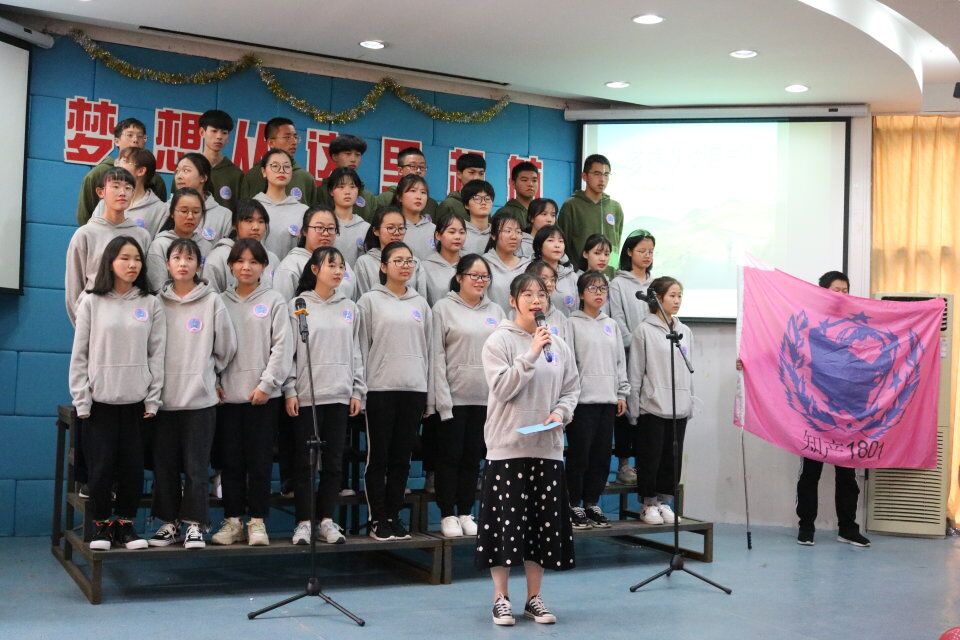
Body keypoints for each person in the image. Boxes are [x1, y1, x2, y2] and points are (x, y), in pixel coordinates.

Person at [737, 270, 870, 548]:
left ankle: (848, 528)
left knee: (847, 474)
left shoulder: (855, 324)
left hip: (846, 410)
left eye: (845, 290)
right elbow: (780, 351)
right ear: (822, 291)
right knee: (810, 472)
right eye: (836, 289)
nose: (841, 295)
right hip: (814, 411)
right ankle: (806, 527)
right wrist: (749, 362)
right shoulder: (807, 321)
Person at [477, 273, 580, 626]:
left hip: (547, 446)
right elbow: (503, 388)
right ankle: (500, 598)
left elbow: (571, 389)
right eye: (527, 294)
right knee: (505, 527)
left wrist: (561, 413)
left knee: (541, 527)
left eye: (542, 294)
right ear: (512, 300)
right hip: (508, 446)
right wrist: (532, 352)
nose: (536, 300)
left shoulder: (558, 345)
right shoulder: (499, 341)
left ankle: (534, 598)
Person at [69, 236, 165, 551]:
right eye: (124, 258)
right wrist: (82, 399)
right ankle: (100, 526)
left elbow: (156, 355)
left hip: (136, 403)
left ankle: (125, 526)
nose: (132, 264)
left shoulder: (150, 303)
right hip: (100, 403)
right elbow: (79, 355)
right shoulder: (91, 301)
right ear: (110, 262)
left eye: (136, 259)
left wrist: (153, 398)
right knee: (100, 468)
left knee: (132, 468)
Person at [148, 239, 238, 549]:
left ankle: (195, 525)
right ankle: (168, 523)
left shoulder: (212, 301)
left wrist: (209, 373)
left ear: (199, 265)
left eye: (189, 258)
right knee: (165, 467)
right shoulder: (156, 302)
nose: (183, 263)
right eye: (177, 258)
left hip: (200, 401)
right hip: (164, 401)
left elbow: (226, 346)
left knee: (196, 467)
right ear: (168, 264)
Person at [211, 239, 293, 546]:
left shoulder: (274, 301)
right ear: (231, 266)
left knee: (259, 462)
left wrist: (267, 385)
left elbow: (282, 346)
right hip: (227, 398)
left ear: (264, 266)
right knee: (230, 462)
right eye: (240, 261)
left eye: (254, 261)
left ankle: (257, 522)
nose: (246, 267)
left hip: (263, 398)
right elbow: (209, 347)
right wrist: (214, 382)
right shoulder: (218, 301)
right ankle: (232, 521)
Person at [284, 246, 365, 545]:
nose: (338, 271)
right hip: (308, 395)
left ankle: (326, 520)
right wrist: (290, 388)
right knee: (305, 462)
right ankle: (304, 522)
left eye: (341, 265)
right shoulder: (298, 306)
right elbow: (290, 353)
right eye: (331, 265)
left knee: (333, 463)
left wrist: (357, 389)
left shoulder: (350, 308)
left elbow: (356, 352)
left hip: (340, 394)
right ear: (315, 269)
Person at [357, 241, 432, 541]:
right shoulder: (369, 301)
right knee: (379, 457)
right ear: (383, 266)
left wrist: (427, 391)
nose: (404, 265)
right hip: (380, 389)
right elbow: (361, 347)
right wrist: (361, 389)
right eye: (398, 260)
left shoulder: (421, 304)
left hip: (413, 389)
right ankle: (377, 518)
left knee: (402, 457)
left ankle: (393, 514)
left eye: (409, 260)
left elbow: (428, 350)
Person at [429, 254, 504, 537]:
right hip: (453, 400)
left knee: (473, 459)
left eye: (484, 276)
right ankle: (447, 514)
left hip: (486, 400)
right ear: (459, 277)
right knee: (449, 458)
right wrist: (442, 400)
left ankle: (465, 511)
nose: (480, 281)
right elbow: (437, 357)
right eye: (474, 275)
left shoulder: (496, 311)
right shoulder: (443, 308)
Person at [565, 271, 628, 529]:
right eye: (592, 288)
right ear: (581, 294)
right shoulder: (571, 323)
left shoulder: (610, 324)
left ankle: (592, 502)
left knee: (601, 456)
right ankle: (573, 504)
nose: (599, 293)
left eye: (603, 288)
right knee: (580, 455)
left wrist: (621, 393)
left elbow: (619, 362)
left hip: (607, 400)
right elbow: (569, 362)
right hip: (582, 402)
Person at [627, 276, 692, 526]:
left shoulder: (685, 331)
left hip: (679, 406)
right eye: (672, 295)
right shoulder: (644, 330)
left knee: (672, 459)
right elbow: (636, 371)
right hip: (652, 407)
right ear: (658, 298)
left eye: (679, 295)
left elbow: (689, 369)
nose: (677, 300)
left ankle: (665, 501)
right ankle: (648, 504)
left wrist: (689, 401)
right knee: (650, 458)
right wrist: (634, 407)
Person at [66, 167, 152, 326]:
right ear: (101, 192)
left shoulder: (142, 235)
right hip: (95, 318)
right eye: (116, 186)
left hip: (133, 319)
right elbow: (74, 288)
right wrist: (82, 325)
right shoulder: (85, 234)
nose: (122, 192)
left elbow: (145, 281)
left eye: (128, 188)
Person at [609, 230, 655, 484]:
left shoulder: (657, 284)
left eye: (650, 252)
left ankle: (644, 463)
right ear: (629, 252)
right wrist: (636, 346)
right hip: (628, 355)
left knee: (649, 411)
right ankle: (624, 464)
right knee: (626, 408)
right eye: (641, 251)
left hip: (654, 358)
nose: (647, 256)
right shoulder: (618, 284)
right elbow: (617, 319)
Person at [76, 117, 168, 225]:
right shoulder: (98, 173)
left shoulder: (155, 180)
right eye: (130, 135)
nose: (135, 140)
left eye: (140, 136)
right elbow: (85, 217)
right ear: (117, 141)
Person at [274, 206, 357, 302]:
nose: (326, 233)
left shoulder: (345, 266)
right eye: (319, 228)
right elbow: (282, 306)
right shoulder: (290, 265)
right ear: (304, 231)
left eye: (331, 228)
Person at [557, 154, 623, 268]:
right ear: (584, 176)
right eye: (597, 174)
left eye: (606, 175)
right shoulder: (571, 206)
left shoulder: (615, 207)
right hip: (580, 274)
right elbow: (563, 243)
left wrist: (612, 270)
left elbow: (615, 244)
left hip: (609, 275)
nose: (602, 179)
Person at [203, 200, 280, 294]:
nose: (256, 227)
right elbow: (209, 297)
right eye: (249, 221)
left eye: (261, 221)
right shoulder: (218, 257)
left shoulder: (272, 259)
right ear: (234, 225)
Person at [147, 188, 214, 293]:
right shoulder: (160, 245)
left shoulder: (207, 246)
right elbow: (158, 288)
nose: (190, 216)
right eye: (184, 211)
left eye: (196, 212)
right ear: (172, 213)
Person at [90, 147, 166, 237]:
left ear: (141, 171)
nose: (118, 166)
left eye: (125, 161)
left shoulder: (160, 210)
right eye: (119, 161)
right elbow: (91, 234)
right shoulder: (106, 202)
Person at [238, 117, 316, 204]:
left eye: (295, 137)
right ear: (271, 143)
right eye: (287, 137)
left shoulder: (306, 178)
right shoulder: (253, 176)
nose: (294, 142)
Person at [252, 148, 309, 260]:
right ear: (264, 171)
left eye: (286, 167)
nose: (281, 170)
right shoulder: (251, 207)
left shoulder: (303, 211)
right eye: (275, 166)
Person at [355, 206, 420, 296]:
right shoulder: (364, 262)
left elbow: (421, 298)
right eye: (390, 228)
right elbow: (363, 299)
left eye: (401, 228)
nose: (397, 233)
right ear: (376, 231)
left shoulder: (414, 262)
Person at [169, 153, 233, 244]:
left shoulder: (224, 216)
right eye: (177, 171)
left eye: (186, 171)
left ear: (203, 177)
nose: (179, 176)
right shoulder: (166, 208)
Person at [317, 134, 377, 220]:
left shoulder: (369, 197)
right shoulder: (320, 192)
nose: (353, 159)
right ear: (335, 156)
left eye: (357, 155)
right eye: (348, 154)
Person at [483, 212, 530, 312]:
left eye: (518, 232)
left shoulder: (528, 266)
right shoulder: (483, 264)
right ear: (493, 235)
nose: (514, 236)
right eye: (508, 231)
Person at [374, 147, 438, 218]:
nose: (418, 170)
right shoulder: (385, 199)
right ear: (400, 170)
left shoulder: (432, 204)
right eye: (413, 166)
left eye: (422, 167)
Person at [198, 109, 243, 212]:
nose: (219, 137)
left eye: (224, 133)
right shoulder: (188, 169)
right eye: (214, 131)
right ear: (202, 132)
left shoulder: (236, 174)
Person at [326, 167, 370, 267]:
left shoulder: (366, 228)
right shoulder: (323, 224)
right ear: (331, 191)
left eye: (352, 187)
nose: (347, 192)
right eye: (341, 187)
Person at [417, 214, 465, 307]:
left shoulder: (469, 266)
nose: (458, 237)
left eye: (462, 232)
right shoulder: (425, 267)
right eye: (452, 232)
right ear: (438, 235)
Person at [532, 225, 578, 316]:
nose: (557, 245)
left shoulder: (571, 276)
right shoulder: (530, 273)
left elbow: (576, 309)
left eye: (561, 241)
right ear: (539, 246)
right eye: (551, 240)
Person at [392, 174, 436, 260]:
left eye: (423, 192)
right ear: (399, 197)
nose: (419, 197)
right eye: (413, 191)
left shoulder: (434, 229)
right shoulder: (392, 228)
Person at [524, 261, 568, 341]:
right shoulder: (518, 314)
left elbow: (567, 346)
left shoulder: (559, 317)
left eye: (552, 280)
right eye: (543, 279)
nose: (549, 284)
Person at [437, 153, 486, 221]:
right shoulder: (448, 205)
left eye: (481, 173)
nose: (476, 178)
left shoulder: (485, 204)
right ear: (459, 174)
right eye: (472, 172)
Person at [495, 161, 540, 226]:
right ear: (513, 184)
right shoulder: (505, 213)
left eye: (534, 180)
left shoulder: (543, 213)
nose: (530, 184)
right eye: (524, 180)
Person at [461, 179, 495, 255]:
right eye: (477, 198)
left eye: (487, 198)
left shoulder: (498, 233)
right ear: (466, 205)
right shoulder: (459, 232)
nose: (483, 202)